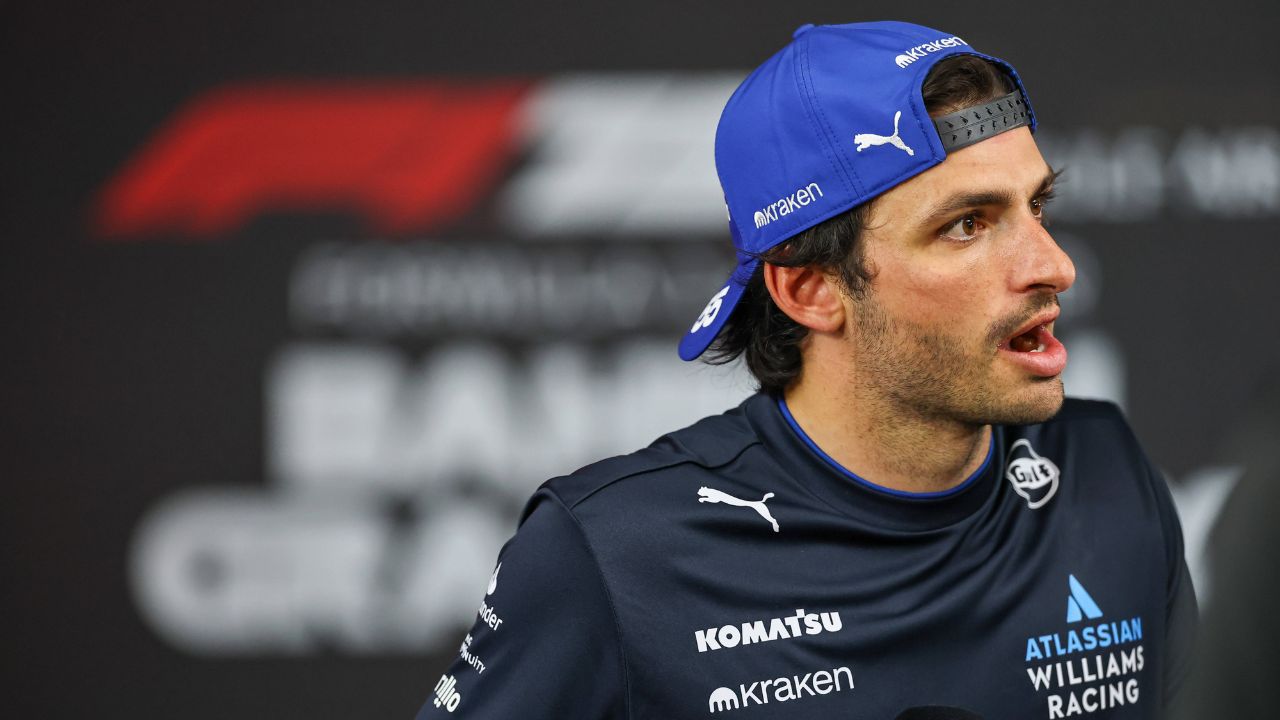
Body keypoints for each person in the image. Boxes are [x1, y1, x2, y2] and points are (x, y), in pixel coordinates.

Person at [415, 21, 1196, 719]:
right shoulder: (609, 555)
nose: (1053, 265)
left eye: (1039, 207)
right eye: (967, 225)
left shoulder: (1107, 471)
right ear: (810, 289)